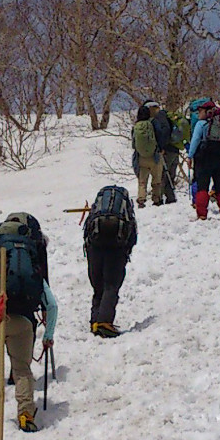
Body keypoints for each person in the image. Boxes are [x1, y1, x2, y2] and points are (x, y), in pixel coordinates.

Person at [0, 220, 59, 432]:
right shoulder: (33, 273)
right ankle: (26, 413)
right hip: (23, 322)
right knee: (22, 371)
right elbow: (52, 305)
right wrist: (48, 335)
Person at [82, 185, 137, 338]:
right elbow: (133, 235)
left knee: (98, 286)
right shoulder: (124, 212)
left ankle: (95, 321)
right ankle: (104, 322)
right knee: (111, 285)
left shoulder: (97, 210)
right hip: (116, 250)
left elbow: (87, 230)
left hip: (95, 250)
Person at [186, 97, 220, 221]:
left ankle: (202, 214)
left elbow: (195, 140)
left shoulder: (201, 124)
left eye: (200, 111)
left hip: (204, 158)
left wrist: (190, 156)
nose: (198, 114)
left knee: (202, 187)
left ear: (206, 112)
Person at [131, 103, 163, 208]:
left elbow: (133, 144)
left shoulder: (136, 126)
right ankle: (157, 199)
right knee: (156, 179)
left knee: (142, 181)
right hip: (154, 156)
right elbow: (159, 136)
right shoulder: (153, 123)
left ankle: (141, 199)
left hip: (141, 157)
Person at [153, 102, 186, 205]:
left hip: (167, 150)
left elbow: (165, 131)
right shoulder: (168, 117)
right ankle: (170, 198)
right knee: (170, 174)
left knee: (163, 174)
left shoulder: (159, 117)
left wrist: (161, 147)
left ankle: (159, 199)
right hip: (175, 149)